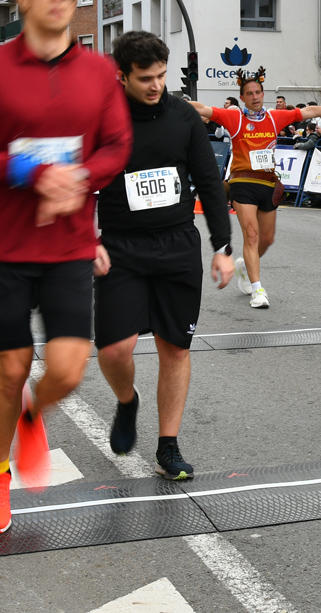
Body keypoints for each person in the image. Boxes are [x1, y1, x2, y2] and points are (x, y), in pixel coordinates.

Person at [0, 0, 132, 535]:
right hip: (2, 245)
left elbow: (117, 145)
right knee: (11, 368)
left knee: (69, 371)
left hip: (69, 244)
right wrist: (33, 173)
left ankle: (33, 413)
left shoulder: (99, 72)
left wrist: (80, 177)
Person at [93, 31, 235, 481]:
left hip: (176, 244)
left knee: (175, 348)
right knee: (114, 347)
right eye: (145, 78)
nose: (156, 85)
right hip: (120, 247)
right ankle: (126, 400)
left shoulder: (183, 116)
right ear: (122, 76)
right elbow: (78, 181)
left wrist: (222, 246)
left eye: (161, 75)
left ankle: (168, 446)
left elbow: (209, 182)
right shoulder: (102, 117)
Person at [188, 71, 321, 309]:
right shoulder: (234, 117)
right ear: (242, 98)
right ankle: (257, 289)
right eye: (249, 94)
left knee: (266, 239)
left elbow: (308, 112)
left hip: (268, 184)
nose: (255, 97)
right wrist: (166, 99)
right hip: (242, 183)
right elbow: (201, 108)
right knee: (251, 235)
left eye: (258, 92)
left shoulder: (275, 117)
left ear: (263, 94)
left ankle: (245, 266)